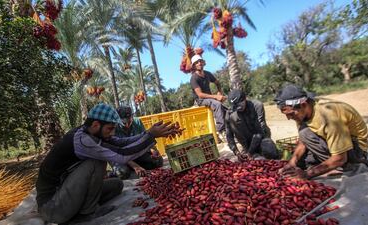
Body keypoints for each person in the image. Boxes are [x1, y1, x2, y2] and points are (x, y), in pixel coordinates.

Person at [35, 103, 178, 224]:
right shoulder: (82, 140)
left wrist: (150, 134)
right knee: (95, 162)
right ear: (96, 124)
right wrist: (150, 135)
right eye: (110, 129)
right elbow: (122, 156)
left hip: (65, 193)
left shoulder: (90, 132)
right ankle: (86, 214)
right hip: (53, 207)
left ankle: (84, 208)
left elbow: (121, 143)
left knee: (117, 184)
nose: (112, 133)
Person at [275, 84, 368, 180]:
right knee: (303, 137)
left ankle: (346, 165)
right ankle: (329, 163)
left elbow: (340, 157)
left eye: (291, 114)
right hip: (335, 142)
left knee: (306, 138)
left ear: (304, 104)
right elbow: (303, 141)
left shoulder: (328, 116)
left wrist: (307, 174)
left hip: (355, 149)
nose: (288, 118)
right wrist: (292, 162)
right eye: (286, 114)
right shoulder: (302, 113)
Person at [110, 106, 163, 179]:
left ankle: (136, 166)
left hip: (135, 154)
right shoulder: (113, 127)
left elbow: (147, 138)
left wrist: (154, 150)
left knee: (158, 161)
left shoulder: (137, 122)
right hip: (120, 157)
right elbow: (118, 152)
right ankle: (130, 168)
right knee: (122, 173)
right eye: (124, 123)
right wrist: (135, 166)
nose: (127, 125)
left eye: (129, 121)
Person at [225, 89, 279, 161]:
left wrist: (250, 152)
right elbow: (229, 135)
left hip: (262, 138)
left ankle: (256, 152)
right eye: (235, 107)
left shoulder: (257, 106)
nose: (239, 108)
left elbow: (259, 131)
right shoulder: (229, 113)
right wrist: (236, 151)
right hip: (246, 144)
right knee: (246, 160)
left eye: (240, 105)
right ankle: (250, 152)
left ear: (245, 99)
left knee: (270, 152)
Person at [190, 54, 227, 142]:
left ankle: (227, 131)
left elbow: (217, 83)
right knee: (217, 104)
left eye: (200, 61)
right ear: (194, 66)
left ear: (203, 63)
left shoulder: (207, 74)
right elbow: (200, 95)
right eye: (196, 62)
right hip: (200, 101)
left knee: (226, 110)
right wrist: (216, 97)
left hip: (209, 99)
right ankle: (220, 131)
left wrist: (220, 92)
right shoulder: (194, 78)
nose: (199, 63)